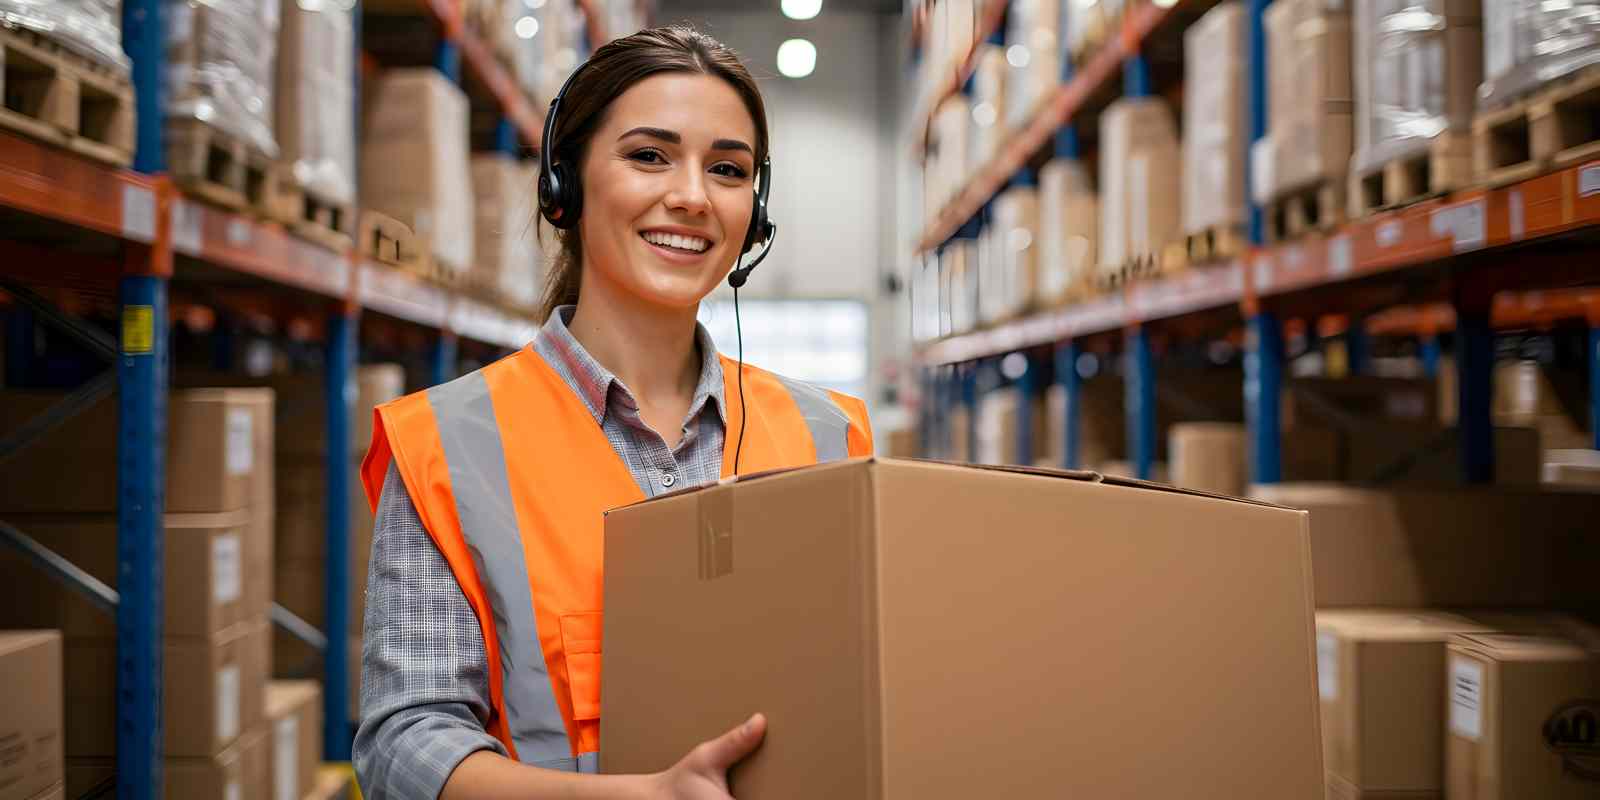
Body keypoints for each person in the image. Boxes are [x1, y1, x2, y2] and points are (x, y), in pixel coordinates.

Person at [352, 25, 874, 800]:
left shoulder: (831, 433)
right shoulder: (449, 443)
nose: (692, 196)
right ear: (565, 184)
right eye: (648, 156)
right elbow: (406, 741)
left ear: (754, 213)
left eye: (727, 169)